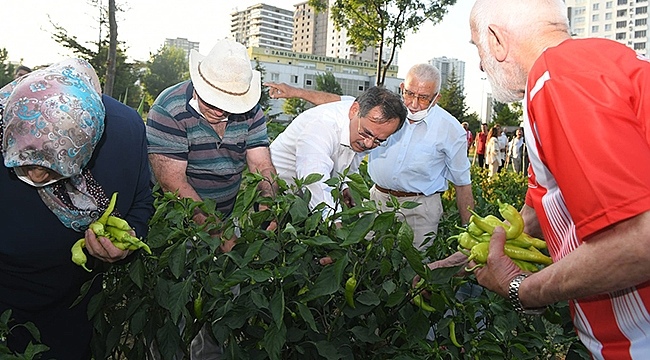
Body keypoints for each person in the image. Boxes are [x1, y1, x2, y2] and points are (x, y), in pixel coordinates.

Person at [466, 0, 650, 358]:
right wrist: (472, 251)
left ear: (497, 40)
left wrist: (523, 289)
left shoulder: (556, 77)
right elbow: (537, 207)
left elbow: (639, 241)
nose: (479, 65)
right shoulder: (600, 61)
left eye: (478, 48)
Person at [0, 58, 153, 359]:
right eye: (27, 160)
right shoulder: (7, 117)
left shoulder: (124, 130)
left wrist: (127, 241)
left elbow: (141, 199)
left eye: (56, 167)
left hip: (71, 300)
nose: (37, 176)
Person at [146, 38, 277, 359]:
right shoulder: (170, 108)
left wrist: (270, 213)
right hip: (176, 222)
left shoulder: (250, 110)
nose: (220, 110)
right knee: (173, 306)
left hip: (224, 211)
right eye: (214, 100)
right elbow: (174, 184)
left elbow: (262, 166)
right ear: (199, 82)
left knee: (220, 305)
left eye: (229, 103)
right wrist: (221, 236)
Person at [266, 63, 475, 250]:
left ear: (436, 98)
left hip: (420, 208)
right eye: (410, 94)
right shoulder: (367, 115)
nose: (413, 104)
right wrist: (295, 92)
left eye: (423, 98)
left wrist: (470, 236)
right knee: (368, 256)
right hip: (373, 198)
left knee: (413, 265)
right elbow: (316, 180)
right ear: (402, 88)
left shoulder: (447, 128)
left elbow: (462, 183)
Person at [270, 86, 406, 220]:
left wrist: (345, 186)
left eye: (379, 140)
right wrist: (334, 223)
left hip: (304, 197)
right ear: (354, 111)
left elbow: (349, 161)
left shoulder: (363, 127)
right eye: (366, 133)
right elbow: (314, 180)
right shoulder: (323, 125)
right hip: (276, 188)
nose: (369, 144)